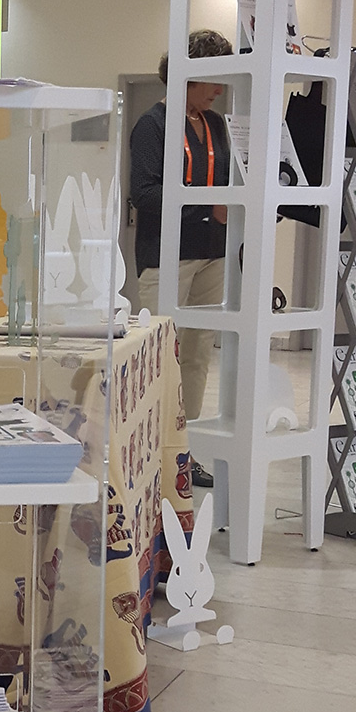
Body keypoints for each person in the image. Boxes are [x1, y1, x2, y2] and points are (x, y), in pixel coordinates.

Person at [129, 28, 232, 488]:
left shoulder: (217, 125)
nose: (220, 89)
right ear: (190, 74)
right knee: (159, 357)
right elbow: (145, 194)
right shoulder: (152, 125)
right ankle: (148, 456)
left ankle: (182, 457)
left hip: (213, 254)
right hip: (167, 257)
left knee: (197, 356)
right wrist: (205, 205)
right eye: (214, 78)